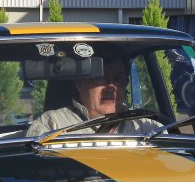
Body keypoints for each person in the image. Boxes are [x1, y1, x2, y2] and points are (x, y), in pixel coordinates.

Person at [26, 56, 159, 137]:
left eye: (119, 79)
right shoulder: (51, 125)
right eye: (101, 78)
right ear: (79, 84)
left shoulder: (147, 128)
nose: (111, 87)